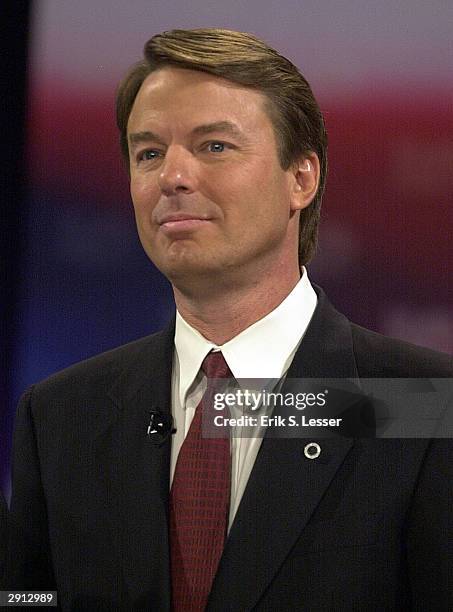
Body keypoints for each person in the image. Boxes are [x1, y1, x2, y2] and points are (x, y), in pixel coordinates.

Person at [6, 28, 453, 611]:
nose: (172, 177)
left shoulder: (419, 405)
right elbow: (26, 599)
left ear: (302, 178)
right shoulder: (61, 415)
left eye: (213, 146)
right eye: (148, 153)